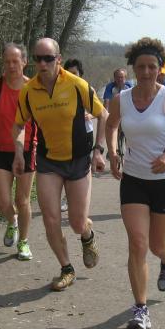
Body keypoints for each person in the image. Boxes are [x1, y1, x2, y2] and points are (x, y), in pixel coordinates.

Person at [105, 37, 165, 329]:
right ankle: (140, 309)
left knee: (157, 245)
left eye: (152, 67)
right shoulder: (121, 99)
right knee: (138, 243)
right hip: (133, 180)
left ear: (160, 69)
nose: (146, 72)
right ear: (133, 68)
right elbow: (111, 125)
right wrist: (113, 152)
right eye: (141, 67)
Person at [12, 38, 108, 291]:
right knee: (51, 219)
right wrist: (19, 153)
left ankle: (87, 234)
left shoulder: (77, 85)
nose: (42, 63)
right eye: (38, 59)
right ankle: (66, 269)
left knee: (77, 222)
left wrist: (99, 151)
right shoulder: (28, 91)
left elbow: (103, 114)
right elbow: (19, 124)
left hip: (78, 160)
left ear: (59, 59)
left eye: (48, 58)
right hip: (48, 162)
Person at [0, 42, 36, 262]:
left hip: (27, 149)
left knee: (22, 200)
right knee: (2, 202)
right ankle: (12, 222)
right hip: (1, 150)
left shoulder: (33, 87)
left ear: (24, 62)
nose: (11, 66)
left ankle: (24, 242)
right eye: (7, 61)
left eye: (15, 61)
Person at [61, 58, 92, 213]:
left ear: (80, 74)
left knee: (83, 167)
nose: (71, 76)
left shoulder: (86, 88)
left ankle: (81, 200)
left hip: (86, 132)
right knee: (67, 167)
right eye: (68, 73)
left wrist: (89, 115)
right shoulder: (60, 91)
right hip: (66, 135)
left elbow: (100, 112)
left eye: (74, 73)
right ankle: (68, 197)